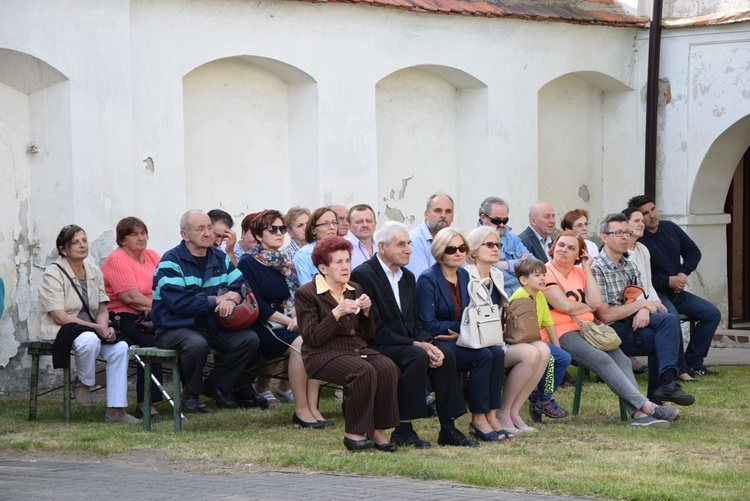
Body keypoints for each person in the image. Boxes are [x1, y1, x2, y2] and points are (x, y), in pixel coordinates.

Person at [351, 221, 479, 448]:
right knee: (416, 356)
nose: (409, 249)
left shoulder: (408, 277)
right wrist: (418, 345)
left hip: (406, 342)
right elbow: (376, 328)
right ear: (382, 247)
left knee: (445, 353)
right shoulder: (364, 275)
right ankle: (403, 429)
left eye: (408, 243)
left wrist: (428, 343)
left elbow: (416, 322)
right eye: (401, 244)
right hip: (376, 344)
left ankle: (448, 428)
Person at [542, 230, 679, 427]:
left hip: (590, 329)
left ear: (579, 254)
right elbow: (564, 306)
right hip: (560, 332)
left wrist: (587, 268)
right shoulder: (546, 271)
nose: (564, 250)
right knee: (602, 359)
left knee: (622, 360)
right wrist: (587, 307)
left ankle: (639, 416)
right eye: (561, 245)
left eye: (571, 248)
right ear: (553, 247)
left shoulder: (580, 272)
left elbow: (597, 302)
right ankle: (648, 407)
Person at [295, 237, 400, 451]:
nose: (345, 267)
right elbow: (312, 337)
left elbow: (369, 334)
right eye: (338, 262)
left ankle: (376, 430)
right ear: (323, 268)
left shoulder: (355, 288)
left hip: (356, 349)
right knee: (362, 371)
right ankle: (354, 432)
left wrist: (367, 312)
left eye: (347, 261)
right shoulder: (307, 293)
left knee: (387, 367)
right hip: (322, 353)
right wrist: (337, 312)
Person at [151, 210, 259, 413]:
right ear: (184, 234)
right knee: (196, 344)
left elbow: (242, 284)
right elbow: (179, 303)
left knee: (249, 339)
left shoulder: (220, 257)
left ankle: (216, 385)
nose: (208, 233)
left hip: (211, 326)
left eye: (209, 227)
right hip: (173, 327)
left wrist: (234, 296)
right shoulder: (170, 261)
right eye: (200, 228)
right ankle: (191, 396)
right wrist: (217, 300)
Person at [31, 225, 140, 424]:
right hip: (61, 328)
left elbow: (101, 308)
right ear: (63, 249)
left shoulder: (93, 270)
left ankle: (116, 410)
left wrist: (105, 327)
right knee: (89, 339)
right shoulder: (53, 273)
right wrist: (96, 328)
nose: (82, 245)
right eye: (75, 242)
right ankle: (83, 382)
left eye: (84, 240)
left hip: (90, 328)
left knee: (120, 348)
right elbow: (59, 317)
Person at [590, 214, 695, 406]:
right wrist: (642, 306)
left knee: (668, 319)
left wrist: (644, 308)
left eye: (626, 232)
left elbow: (641, 297)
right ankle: (657, 396)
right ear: (604, 237)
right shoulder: (596, 269)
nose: (625, 237)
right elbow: (605, 315)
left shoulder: (629, 266)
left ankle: (667, 384)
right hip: (607, 331)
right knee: (660, 338)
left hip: (630, 322)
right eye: (619, 233)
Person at [417, 227, 508, 444]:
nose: (458, 253)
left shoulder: (464, 275)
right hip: (437, 341)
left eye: (462, 248)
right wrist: (461, 328)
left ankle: (490, 415)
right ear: (440, 252)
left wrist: (462, 330)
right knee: (483, 356)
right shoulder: (427, 279)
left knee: (495, 353)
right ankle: (478, 419)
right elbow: (428, 323)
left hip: (462, 337)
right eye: (451, 249)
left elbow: (471, 314)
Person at [237, 209, 327, 427]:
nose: (279, 233)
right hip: (265, 325)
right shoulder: (249, 263)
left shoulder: (285, 261)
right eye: (273, 229)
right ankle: (301, 410)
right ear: (258, 235)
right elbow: (257, 305)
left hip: (291, 320)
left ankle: (313, 407)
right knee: (302, 343)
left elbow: (298, 294)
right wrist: (291, 322)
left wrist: (299, 315)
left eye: (282, 229)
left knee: (315, 339)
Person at [465, 227, 551, 433]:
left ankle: (513, 412)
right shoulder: (465, 275)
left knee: (544, 350)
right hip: (477, 341)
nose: (496, 249)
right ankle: (503, 413)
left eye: (498, 245)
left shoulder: (496, 274)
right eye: (490, 245)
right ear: (474, 251)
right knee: (530, 353)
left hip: (498, 337)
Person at [628, 195, 720, 377]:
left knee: (712, 314)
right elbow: (640, 277)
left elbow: (693, 251)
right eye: (645, 214)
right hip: (655, 294)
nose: (652, 215)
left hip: (677, 291)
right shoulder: (638, 241)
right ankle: (679, 369)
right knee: (671, 317)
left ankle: (694, 361)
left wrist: (682, 273)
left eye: (653, 209)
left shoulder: (670, 228)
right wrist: (666, 280)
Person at [101, 217, 164, 421]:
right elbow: (129, 297)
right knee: (152, 343)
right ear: (122, 239)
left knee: (183, 335)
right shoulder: (117, 259)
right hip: (123, 318)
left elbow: (167, 285)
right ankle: (145, 403)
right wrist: (160, 307)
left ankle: (191, 396)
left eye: (143, 233)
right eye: (134, 234)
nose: (141, 238)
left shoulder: (153, 256)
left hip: (152, 315)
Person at [622, 207, 691, 381]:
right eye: (636, 221)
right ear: (625, 225)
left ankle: (668, 378)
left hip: (645, 303)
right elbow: (627, 291)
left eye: (641, 220)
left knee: (667, 316)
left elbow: (647, 284)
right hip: (626, 310)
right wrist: (644, 307)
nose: (642, 223)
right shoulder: (621, 254)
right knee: (668, 320)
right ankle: (669, 378)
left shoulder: (642, 249)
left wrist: (655, 302)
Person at [507, 258, 571, 424]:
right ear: (523, 280)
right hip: (521, 342)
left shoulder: (540, 296)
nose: (543, 278)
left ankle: (540, 397)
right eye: (537, 275)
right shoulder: (520, 296)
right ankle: (544, 400)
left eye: (544, 274)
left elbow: (548, 322)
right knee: (550, 359)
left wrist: (557, 346)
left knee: (563, 358)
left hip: (536, 341)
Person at [477, 197, 530, 298]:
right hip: (493, 300)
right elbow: (493, 276)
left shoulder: (513, 239)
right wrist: (521, 268)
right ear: (483, 217)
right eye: (496, 221)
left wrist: (506, 265)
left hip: (519, 300)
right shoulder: (475, 240)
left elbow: (533, 265)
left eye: (505, 220)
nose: (502, 225)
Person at [406, 193, 455, 278]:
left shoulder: (455, 240)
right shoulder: (413, 240)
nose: (443, 215)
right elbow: (423, 281)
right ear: (426, 214)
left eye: (448, 211)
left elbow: (464, 276)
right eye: (438, 210)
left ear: (452, 216)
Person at [293, 207, 340, 285]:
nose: (332, 227)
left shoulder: (342, 251)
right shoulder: (303, 255)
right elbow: (306, 289)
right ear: (313, 230)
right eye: (325, 224)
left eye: (334, 223)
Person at [346, 204, 377, 269]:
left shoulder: (382, 246)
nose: (365, 225)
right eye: (359, 222)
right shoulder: (344, 248)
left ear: (375, 224)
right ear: (349, 226)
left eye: (369, 221)